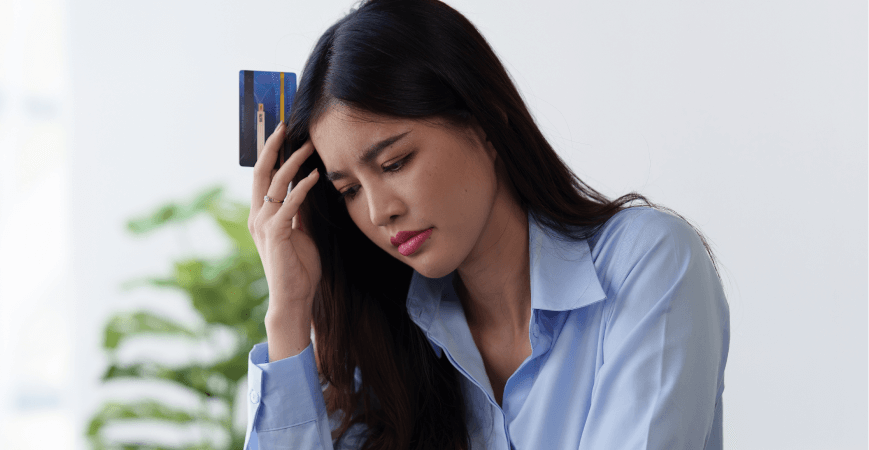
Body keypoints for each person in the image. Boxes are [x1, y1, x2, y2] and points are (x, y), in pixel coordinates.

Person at [244, 0, 730, 448]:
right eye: (349, 190)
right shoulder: (386, 353)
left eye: (395, 163)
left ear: (485, 120)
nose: (378, 211)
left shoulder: (646, 263)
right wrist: (288, 316)